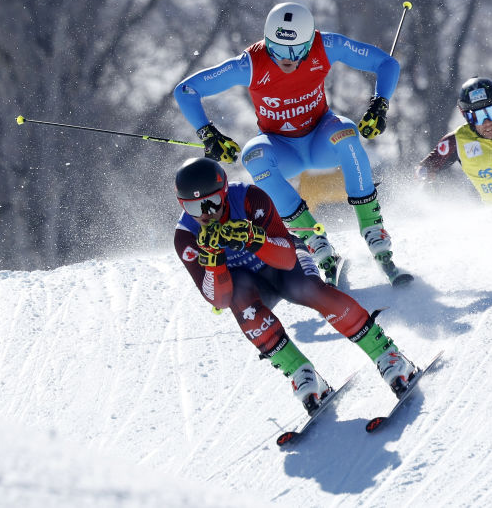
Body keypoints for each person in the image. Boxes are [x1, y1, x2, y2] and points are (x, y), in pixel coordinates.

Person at [174, 2, 407, 285]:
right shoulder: (250, 63)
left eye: (297, 50)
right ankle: (315, 242)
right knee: (253, 156)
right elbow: (186, 90)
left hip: (321, 138)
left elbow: (386, 63)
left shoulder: (326, 45)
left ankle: (374, 230)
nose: (287, 59)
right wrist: (208, 133)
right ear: (266, 42)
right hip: (282, 149)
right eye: (278, 50)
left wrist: (379, 104)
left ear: (310, 41)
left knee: (346, 132)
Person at [172, 157, 417, 412]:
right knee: (240, 302)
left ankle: (387, 354)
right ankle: (302, 374)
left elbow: (287, 258)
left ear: (224, 193)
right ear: (182, 206)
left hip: (283, 266)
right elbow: (218, 300)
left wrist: (253, 238)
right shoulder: (185, 237)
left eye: (212, 202)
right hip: (250, 285)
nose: (206, 214)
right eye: (194, 207)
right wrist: (213, 261)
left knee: (306, 288)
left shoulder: (248, 198)